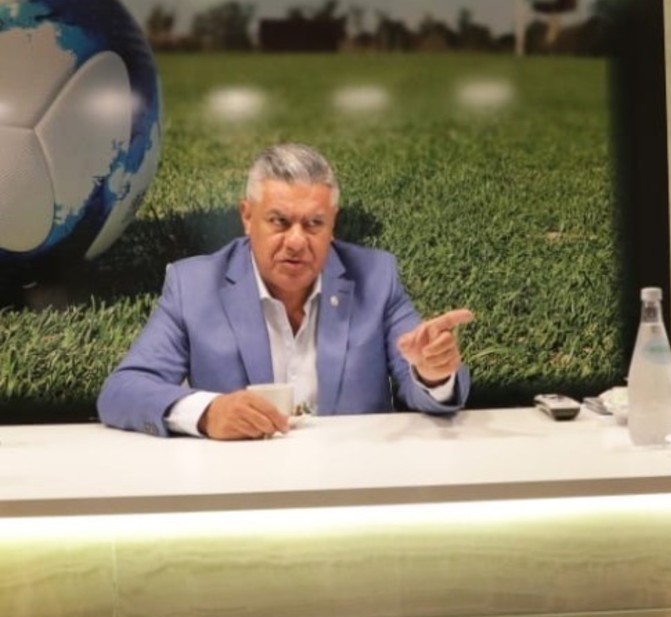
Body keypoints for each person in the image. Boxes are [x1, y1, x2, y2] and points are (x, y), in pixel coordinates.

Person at [98, 143, 474, 440]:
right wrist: (208, 413)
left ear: (332, 224)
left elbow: (420, 380)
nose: (296, 241)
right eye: (279, 221)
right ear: (247, 217)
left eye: (314, 224)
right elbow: (122, 390)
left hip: (355, 479)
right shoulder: (194, 285)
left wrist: (432, 375)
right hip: (241, 484)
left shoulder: (375, 276)